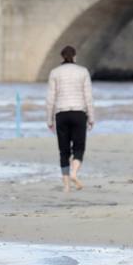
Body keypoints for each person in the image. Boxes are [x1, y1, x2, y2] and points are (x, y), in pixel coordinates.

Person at [46, 45, 95, 192]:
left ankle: (66, 186)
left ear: (62, 57)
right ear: (75, 57)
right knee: (79, 148)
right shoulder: (83, 72)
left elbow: (50, 99)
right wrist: (91, 117)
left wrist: (49, 120)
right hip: (79, 113)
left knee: (63, 151)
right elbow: (88, 97)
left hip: (61, 114)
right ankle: (74, 173)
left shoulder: (54, 72)